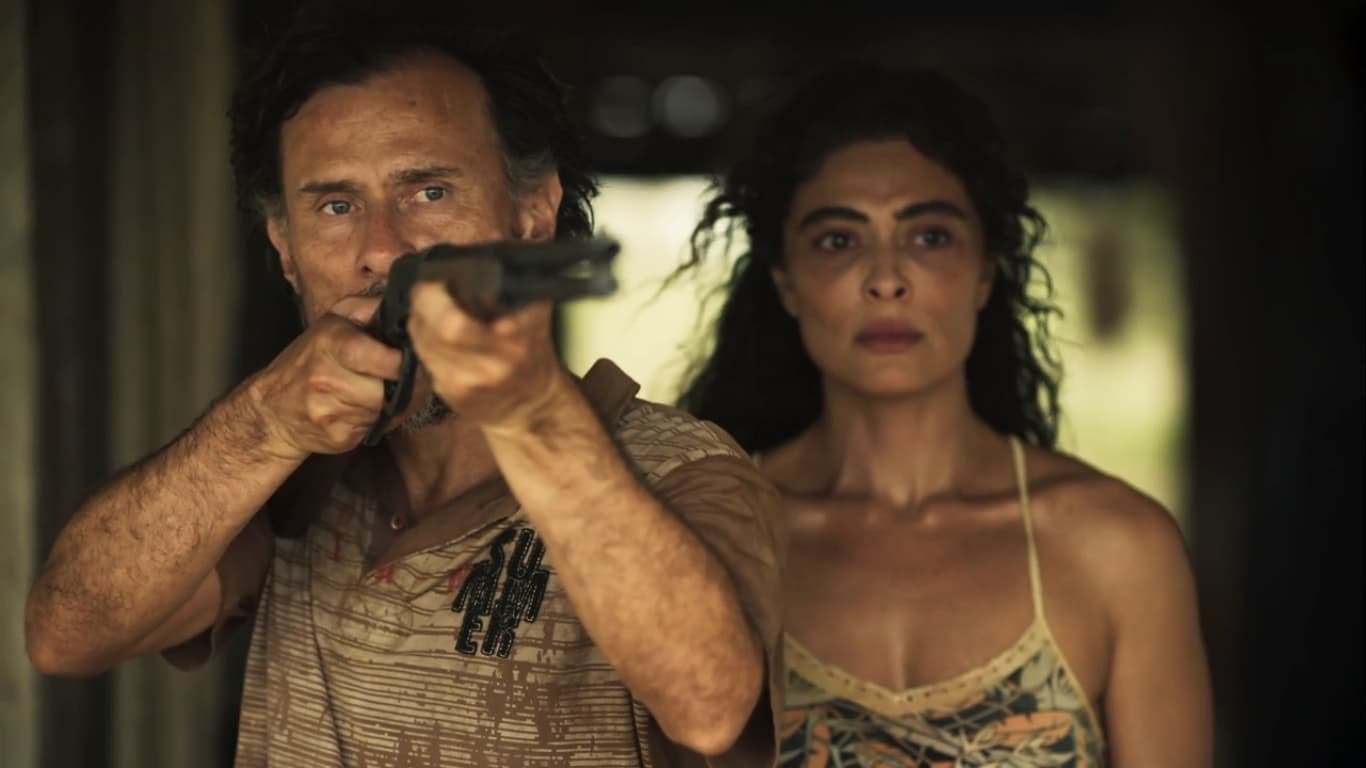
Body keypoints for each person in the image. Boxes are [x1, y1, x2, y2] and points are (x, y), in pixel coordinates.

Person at [24, 5, 784, 766]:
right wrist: (263, 425)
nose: (383, 251)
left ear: (531, 217)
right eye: (337, 206)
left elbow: (711, 708)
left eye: (429, 193)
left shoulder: (680, 467)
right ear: (285, 248)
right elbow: (66, 635)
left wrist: (530, 416)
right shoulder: (290, 464)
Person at [675, 65, 1212, 767]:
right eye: (838, 240)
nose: (886, 278)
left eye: (929, 237)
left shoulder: (1116, 548)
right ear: (785, 280)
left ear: (987, 271)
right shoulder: (713, 541)